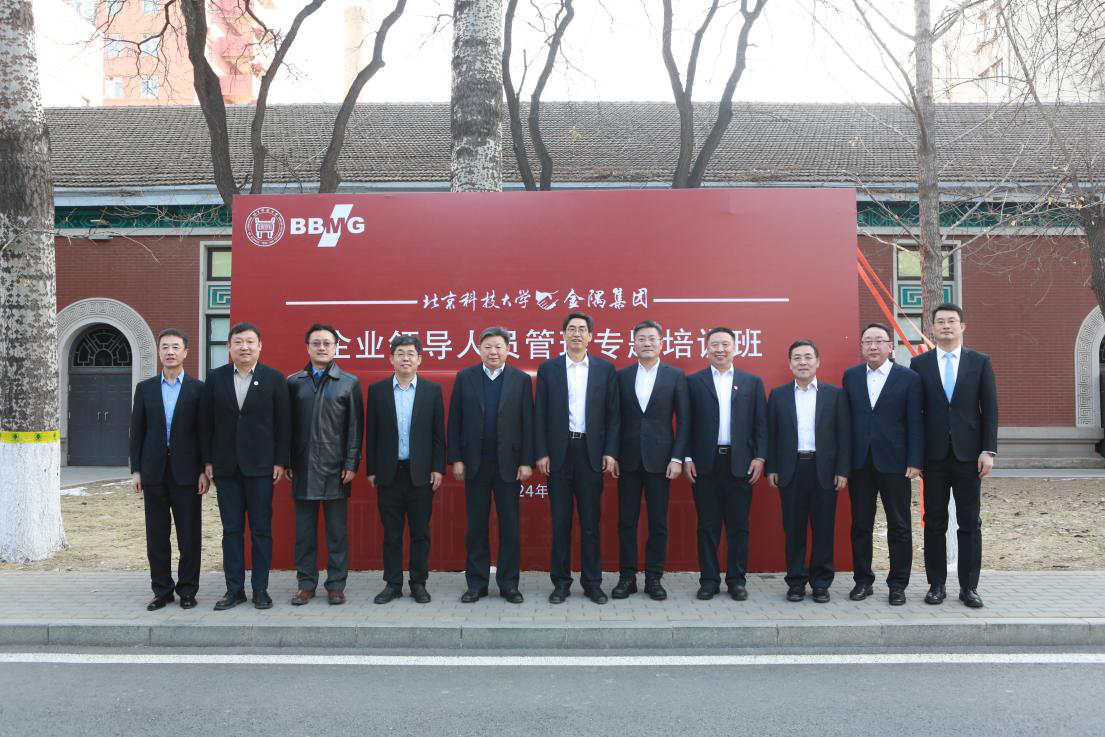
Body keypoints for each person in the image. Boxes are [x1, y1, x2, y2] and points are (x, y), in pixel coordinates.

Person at [910, 303, 997, 608]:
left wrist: (988, 450)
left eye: (951, 321)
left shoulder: (979, 362)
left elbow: (990, 409)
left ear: (962, 326)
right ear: (932, 327)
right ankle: (936, 585)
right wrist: (916, 457)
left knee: (969, 522)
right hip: (933, 458)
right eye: (940, 321)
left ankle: (969, 587)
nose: (946, 326)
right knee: (934, 521)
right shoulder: (919, 364)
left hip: (969, 456)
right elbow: (915, 415)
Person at [200, 322, 291, 611]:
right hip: (225, 468)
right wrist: (208, 461)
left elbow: (284, 424)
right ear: (229, 346)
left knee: (261, 530)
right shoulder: (215, 378)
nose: (244, 347)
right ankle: (234, 589)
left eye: (250, 342)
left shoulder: (274, 378)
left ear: (260, 346)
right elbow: (206, 424)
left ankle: (260, 589)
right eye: (238, 342)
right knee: (231, 531)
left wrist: (280, 461)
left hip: (261, 467)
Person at [535, 312, 620, 605]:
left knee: (590, 523)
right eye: (571, 329)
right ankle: (561, 583)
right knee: (560, 523)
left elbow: (613, 414)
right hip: (559, 453)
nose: (576, 334)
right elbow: (540, 413)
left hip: (591, 453)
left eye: (582, 329)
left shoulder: (604, 369)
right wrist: (541, 452)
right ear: (563, 334)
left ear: (590, 336)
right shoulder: (549, 369)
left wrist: (610, 451)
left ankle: (592, 583)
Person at [447, 326, 533, 604]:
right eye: (488, 347)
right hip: (475, 463)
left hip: (509, 464)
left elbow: (528, 423)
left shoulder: (521, 379)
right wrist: (456, 458)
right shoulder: (466, 377)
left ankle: (509, 584)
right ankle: (477, 584)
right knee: (476, 526)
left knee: (510, 526)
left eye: (498, 347)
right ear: (479, 349)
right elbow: (455, 420)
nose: (493, 352)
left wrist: (526, 461)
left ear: (508, 349)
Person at [841, 322, 923, 606]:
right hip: (860, 464)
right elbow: (846, 423)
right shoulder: (851, 376)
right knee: (860, 525)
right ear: (861, 347)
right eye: (867, 341)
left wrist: (915, 460)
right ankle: (863, 581)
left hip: (896, 464)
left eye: (879, 341)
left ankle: (898, 584)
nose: (873, 346)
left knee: (899, 525)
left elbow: (915, 422)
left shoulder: (908, 378)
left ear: (891, 346)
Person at [684, 327, 768, 601]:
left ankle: (736, 580)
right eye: (714, 344)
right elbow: (685, 423)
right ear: (706, 348)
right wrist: (686, 457)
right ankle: (709, 581)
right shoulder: (693, 382)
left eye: (725, 344)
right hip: (705, 464)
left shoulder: (751, 382)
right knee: (707, 526)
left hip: (740, 464)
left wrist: (760, 457)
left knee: (738, 526)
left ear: (735, 348)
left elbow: (761, 424)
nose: (720, 349)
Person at [765, 339, 850, 603]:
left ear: (817, 362)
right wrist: (772, 468)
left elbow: (844, 435)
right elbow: (771, 435)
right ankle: (796, 582)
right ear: (790, 364)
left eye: (808, 357)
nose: (803, 362)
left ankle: (821, 583)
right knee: (794, 530)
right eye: (797, 358)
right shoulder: (778, 395)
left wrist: (842, 470)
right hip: (790, 470)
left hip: (824, 470)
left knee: (824, 529)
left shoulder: (834, 395)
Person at [129, 328, 208, 611]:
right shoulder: (145, 388)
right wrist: (136, 470)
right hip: (153, 473)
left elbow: (204, 433)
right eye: (165, 347)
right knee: (157, 536)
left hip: (188, 475)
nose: (170, 352)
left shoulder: (198, 389)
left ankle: (187, 590)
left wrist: (204, 469)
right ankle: (162, 591)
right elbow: (137, 431)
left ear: (186, 352)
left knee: (189, 536)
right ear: (159, 351)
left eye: (175, 347)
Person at [286, 323, 364, 606]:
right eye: (316, 343)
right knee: (304, 534)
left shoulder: (348, 382)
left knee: (336, 534)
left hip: (336, 468)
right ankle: (305, 584)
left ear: (336, 347)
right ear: (307, 347)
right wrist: (287, 461)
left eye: (327, 343)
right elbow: (287, 427)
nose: (322, 348)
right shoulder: (294, 382)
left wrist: (351, 463)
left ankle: (336, 585)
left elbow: (355, 427)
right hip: (303, 467)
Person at [612, 320, 689, 601]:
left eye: (652, 339)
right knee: (626, 521)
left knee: (658, 522)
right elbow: (614, 419)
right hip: (628, 460)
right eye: (641, 339)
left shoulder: (675, 376)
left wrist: (677, 457)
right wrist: (613, 454)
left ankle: (654, 578)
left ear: (661, 343)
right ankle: (627, 578)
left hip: (661, 461)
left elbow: (684, 421)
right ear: (633, 344)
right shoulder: (621, 376)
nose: (647, 343)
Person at [365, 334, 445, 604]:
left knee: (420, 533)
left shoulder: (432, 391)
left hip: (420, 474)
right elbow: (372, 433)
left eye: (411, 353)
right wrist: (372, 469)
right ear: (391, 358)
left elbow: (438, 434)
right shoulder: (377, 391)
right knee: (392, 534)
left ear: (420, 359)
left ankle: (418, 583)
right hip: (389, 473)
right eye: (400, 353)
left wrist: (437, 468)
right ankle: (393, 584)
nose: (406, 358)